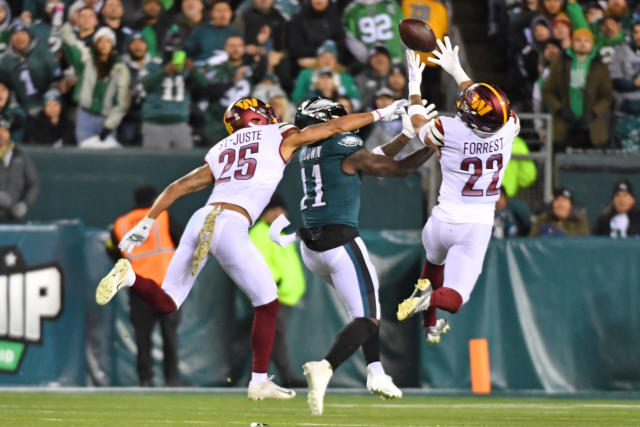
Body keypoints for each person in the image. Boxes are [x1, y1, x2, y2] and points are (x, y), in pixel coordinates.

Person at [94, 95, 408, 399]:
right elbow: (333, 128)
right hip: (232, 222)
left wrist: (146, 223)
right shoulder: (279, 133)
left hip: (201, 217)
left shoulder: (222, 147)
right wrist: (382, 113)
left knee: (167, 301)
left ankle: (131, 278)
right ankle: (258, 381)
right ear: (258, 116)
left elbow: (180, 186)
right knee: (268, 301)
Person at [281, 96, 436, 415]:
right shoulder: (342, 143)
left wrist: (406, 136)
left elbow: (368, 158)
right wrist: (434, 146)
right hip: (340, 244)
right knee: (368, 317)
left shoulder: (308, 150)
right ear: (329, 118)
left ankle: (376, 371)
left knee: (363, 312)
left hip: (311, 248)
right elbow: (398, 169)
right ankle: (325, 366)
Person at [396, 37, 518, 346]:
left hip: (439, 221)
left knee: (431, 269)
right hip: (474, 226)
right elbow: (484, 109)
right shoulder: (510, 126)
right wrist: (459, 72)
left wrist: (414, 85)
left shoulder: (446, 129)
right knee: (454, 297)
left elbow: (417, 120)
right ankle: (427, 306)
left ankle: (429, 324)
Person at [106, 184, 183, 387]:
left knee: (142, 337)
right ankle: (172, 379)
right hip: (165, 286)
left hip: (139, 289)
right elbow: (182, 240)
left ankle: (145, 379)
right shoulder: (162, 217)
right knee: (170, 336)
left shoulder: (121, 224)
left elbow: (112, 250)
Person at [248, 193, 306, 389]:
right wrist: (276, 283)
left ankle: (268, 377)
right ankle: (285, 377)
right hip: (274, 296)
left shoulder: (277, 234)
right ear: (268, 211)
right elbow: (258, 263)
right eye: (277, 210)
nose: (282, 214)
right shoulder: (259, 234)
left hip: (285, 296)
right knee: (274, 337)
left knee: (271, 337)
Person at [542, 28, 613, 150]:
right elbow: (548, 91)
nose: (582, 43)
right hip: (564, 126)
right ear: (573, 43)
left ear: (592, 44)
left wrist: (594, 113)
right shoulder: (560, 63)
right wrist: (560, 109)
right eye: (578, 40)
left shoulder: (599, 66)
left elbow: (606, 97)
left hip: (592, 128)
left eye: (586, 40)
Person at [61, 26, 131, 143]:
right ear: (96, 43)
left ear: (112, 44)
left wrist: (110, 125)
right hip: (85, 115)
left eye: (108, 41)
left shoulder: (121, 69)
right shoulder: (86, 59)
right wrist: (69, 21)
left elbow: (122, 102)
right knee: (85, 155)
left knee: (107, 159)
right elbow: (69, 41)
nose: (104, 44)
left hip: (106, 118)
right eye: (101, 41)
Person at [0, 118, 39, 222]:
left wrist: (25, 203)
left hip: (14, 217)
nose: (1, 134)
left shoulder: (20, 156)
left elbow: (33, 183)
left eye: (4, 130)